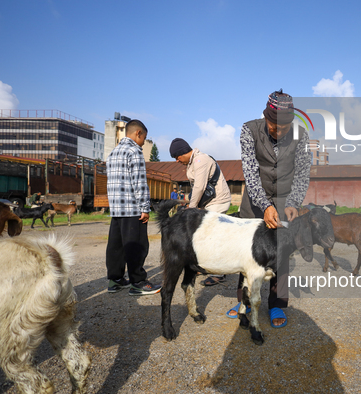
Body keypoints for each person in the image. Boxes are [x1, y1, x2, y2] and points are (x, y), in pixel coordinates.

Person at [227, 89, 311, 328]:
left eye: (284, 127)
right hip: (254, 203)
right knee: (247, 253)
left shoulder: (301, 136)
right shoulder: (249, 130)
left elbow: (303, 173)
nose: (278, 131)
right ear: (265, 116)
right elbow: (251, 172)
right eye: (273, 125)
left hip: (286, 201)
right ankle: (244, 302)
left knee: (282, 255)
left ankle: (277, 304)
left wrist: (293, 202)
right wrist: (264, 205)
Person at [105, 119, 162, 296]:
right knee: (136, 245)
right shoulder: (134, 151)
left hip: (116, 208)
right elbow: (139, 182)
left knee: (116, 246)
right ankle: (137, 282)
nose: (144, 143)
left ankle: (115, 280)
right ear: (138, 133)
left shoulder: (113, 153)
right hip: (132, 209)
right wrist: (145, 208)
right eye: (144, 138)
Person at [169, 138, 232, 286]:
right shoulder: (192, 162)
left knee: (213, 237)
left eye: (177, 157)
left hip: (218, 202)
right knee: (202, 235)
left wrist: (191, 208)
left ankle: (219, 273)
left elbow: (199, 186)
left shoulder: (200, 160)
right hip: (207, 203)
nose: (177, 161)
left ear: (183, 153)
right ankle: (203, 266)